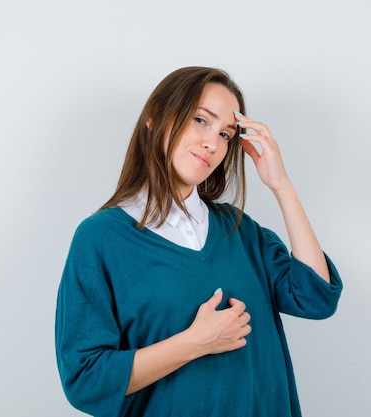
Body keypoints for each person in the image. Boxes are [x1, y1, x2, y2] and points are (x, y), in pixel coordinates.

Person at [55, 66, 343, 417]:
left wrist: (282, 186)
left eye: (226, 134)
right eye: (201, 121)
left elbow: (316, 297)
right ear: (154, 118)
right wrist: (195, 342)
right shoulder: (101, 238)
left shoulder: (240, 230)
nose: (213, 143)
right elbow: (86, 380)